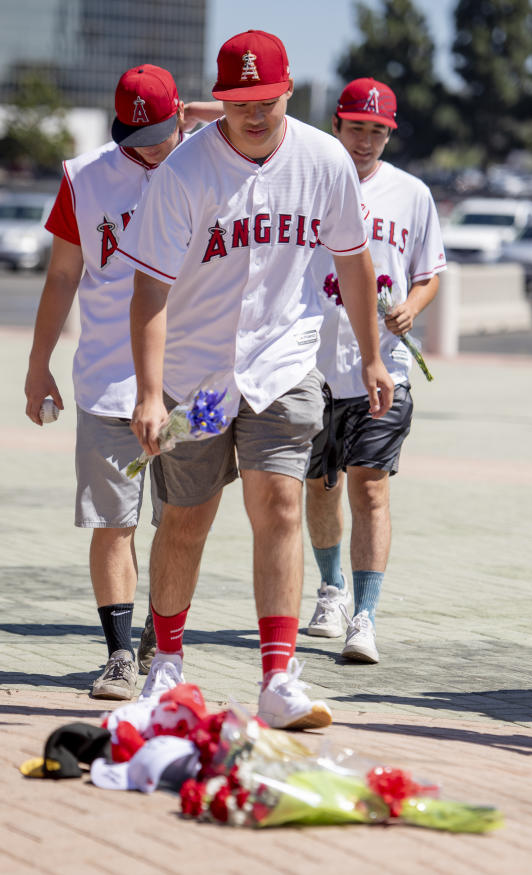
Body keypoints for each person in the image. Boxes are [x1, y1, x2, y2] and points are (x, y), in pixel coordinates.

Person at [117, 31, 394, 730]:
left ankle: (278, 677)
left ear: (287, 94)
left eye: (266, 100)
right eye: (240, 102)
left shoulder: (323, 160)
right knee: (186, 518)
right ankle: (167, 666)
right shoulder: (184, 172)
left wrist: (370, 355)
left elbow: (354, 263)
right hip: (197, 379)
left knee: (281, 507)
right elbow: (148, 291)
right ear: (223, 99)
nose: (254, 114)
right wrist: (150, 393)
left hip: (283, 365)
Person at [25, 64, 220, 700]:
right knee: (114, 521)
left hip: (192, 381)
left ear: (181, 120)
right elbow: (61, 277)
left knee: (179, 521)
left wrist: (200, 116)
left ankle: (157, 638)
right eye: (137, 136)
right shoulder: (85, 177)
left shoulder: (204, 160)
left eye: (162, 132)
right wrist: (37, 366)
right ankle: (117, 655)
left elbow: (270, 124)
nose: (150, 147)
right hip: (108, 378)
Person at [304, 78, 447, 662]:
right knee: (319, 486)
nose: (365, 141)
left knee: (369, 485)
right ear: (335, 126)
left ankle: (364, 615)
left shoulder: (412, 194)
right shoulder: (308, 180)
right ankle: (331, 589)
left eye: (377, 131)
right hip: (308, 367)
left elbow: (430, 270)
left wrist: (412, 307)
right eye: (355, 127)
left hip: (382, 369)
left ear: (390, 134)